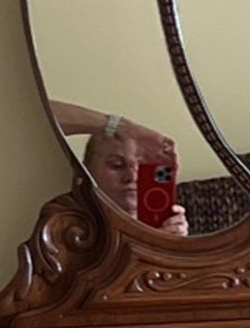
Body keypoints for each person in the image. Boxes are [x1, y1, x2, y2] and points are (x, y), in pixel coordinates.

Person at [49, 100, 189, 235]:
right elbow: (30, 117)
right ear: (86, 170)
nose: (132, 177)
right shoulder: (64, 226)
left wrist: (171, 247)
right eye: (117, 165)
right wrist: (119, 126)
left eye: (142, 167)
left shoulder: (165, 226)